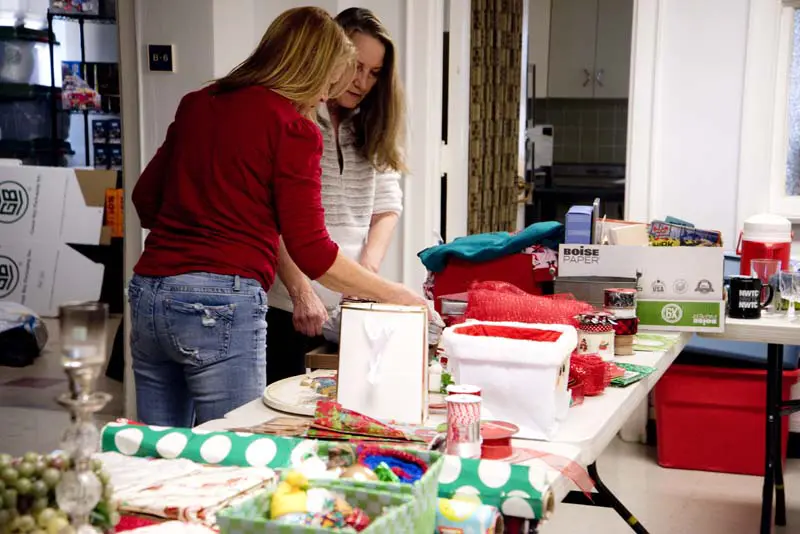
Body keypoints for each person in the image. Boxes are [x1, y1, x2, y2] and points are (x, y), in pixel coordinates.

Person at [128, 6, 423, 428]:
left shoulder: (197, 103)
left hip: (150, 293)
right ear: (308, 68)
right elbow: (313, 252)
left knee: (159, 455)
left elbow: (144, 200)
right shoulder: (293, 127)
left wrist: (202, 217)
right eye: (328, 81)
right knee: (236, 455)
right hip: (222, 302)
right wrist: (394, 293)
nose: (324, 96)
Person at [267, 8, 407, 384]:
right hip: (287, 305)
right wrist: (300, 292)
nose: (362, 81)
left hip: (347, 305)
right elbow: (272, 216)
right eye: (357, 66)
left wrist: (365, 276)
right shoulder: (297, 119)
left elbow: (387, 206)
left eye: (375, 73)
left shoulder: (373, 123)